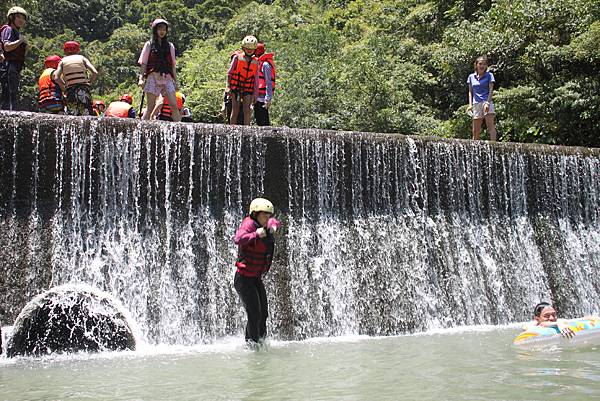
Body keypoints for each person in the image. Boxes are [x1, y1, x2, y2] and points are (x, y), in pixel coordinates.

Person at [234, 197, 281, 347]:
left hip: (255, 279)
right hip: (243, 279)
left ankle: (260, 342)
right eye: (264, 215)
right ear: (255, 214)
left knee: (263, 314)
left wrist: (272, 226)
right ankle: (252, 346)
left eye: (269, 215)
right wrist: (256, 234)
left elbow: (276, 223)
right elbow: (239, 238)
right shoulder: (248, 224)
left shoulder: (267, 223)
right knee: (254, 313)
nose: (268, 218)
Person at [138, 18, 181, 122]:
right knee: (150, 107)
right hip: (153, 76)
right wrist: (141, 78)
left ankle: (180, 129)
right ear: (155, 30)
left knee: (173, 105)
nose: (162, 31)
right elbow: (144, 63)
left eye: (164, 29)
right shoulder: (149, 44)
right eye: (160, 29)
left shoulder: (170, 46)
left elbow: (172, 65)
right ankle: (142, 130)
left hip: (167, 77)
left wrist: (176, 81)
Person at [54, 41, 98, 115]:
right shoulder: (82, 58)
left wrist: (64, 88)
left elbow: (56, 77)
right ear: (77, 49)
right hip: (83, 89)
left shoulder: (62, 61)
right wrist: (89, 83)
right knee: (87, 114)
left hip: (70, 90)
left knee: (72, 115)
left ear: (65, 50)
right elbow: (95, 72)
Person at [227, 35, 260, 126]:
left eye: (252, 49)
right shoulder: (237, 58)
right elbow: (229, 73)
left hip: (248, 89)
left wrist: (256, 94)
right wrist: (228, 87)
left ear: (255, 50)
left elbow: (256, 80)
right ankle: (232, 129)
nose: (249, 50)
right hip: (236, 87)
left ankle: (247, 131)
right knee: (235, 109)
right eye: (247, 48)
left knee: (247, 110)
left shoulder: (256, 62)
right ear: (243, 48)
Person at [0, 6, 28, 111]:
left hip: (14, 66)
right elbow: (7, 47)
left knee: (12, 92)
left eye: (23, 18)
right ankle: (8, 116)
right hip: (8, 65)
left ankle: (10, 114)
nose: (21, 20)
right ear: (12, 18)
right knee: (9, 92)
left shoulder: (16, 32)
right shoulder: (8, 29)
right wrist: (20, 41)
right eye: (18, 17)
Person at [467, 55, 497, 141]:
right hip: (476, 103)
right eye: (480, 64)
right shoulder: (471, 77)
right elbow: (470, 91)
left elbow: (491, 90)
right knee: (475, 130)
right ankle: (474, 149)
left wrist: (488, 102)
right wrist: (470, 105)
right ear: (476, 65)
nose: (482, 66)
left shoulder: (489, 75)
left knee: (490, 126)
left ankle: (494, 147)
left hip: (486, 102)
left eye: (484, 64)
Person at [254, 43, 275, 126]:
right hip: (257, 97)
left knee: (264, 122)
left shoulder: (265, 65)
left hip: (263, 98)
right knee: (258, 121)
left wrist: (268, 98)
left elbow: (268, 82)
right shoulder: (259, 63)